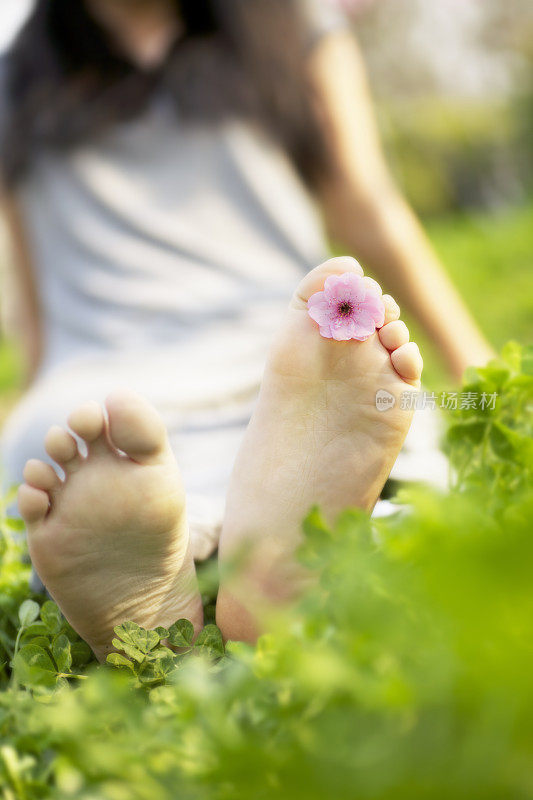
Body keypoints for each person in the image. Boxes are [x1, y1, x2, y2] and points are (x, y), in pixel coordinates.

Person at [2, 0, 493, 652]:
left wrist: (476, 363)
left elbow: (366, 204)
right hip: (108, 386)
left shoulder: (292, 24)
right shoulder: (12, 87)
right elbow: (33, 298)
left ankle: (182, 601)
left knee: (66, 433)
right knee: (72, 438)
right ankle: (270, 561)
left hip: (296, 362)